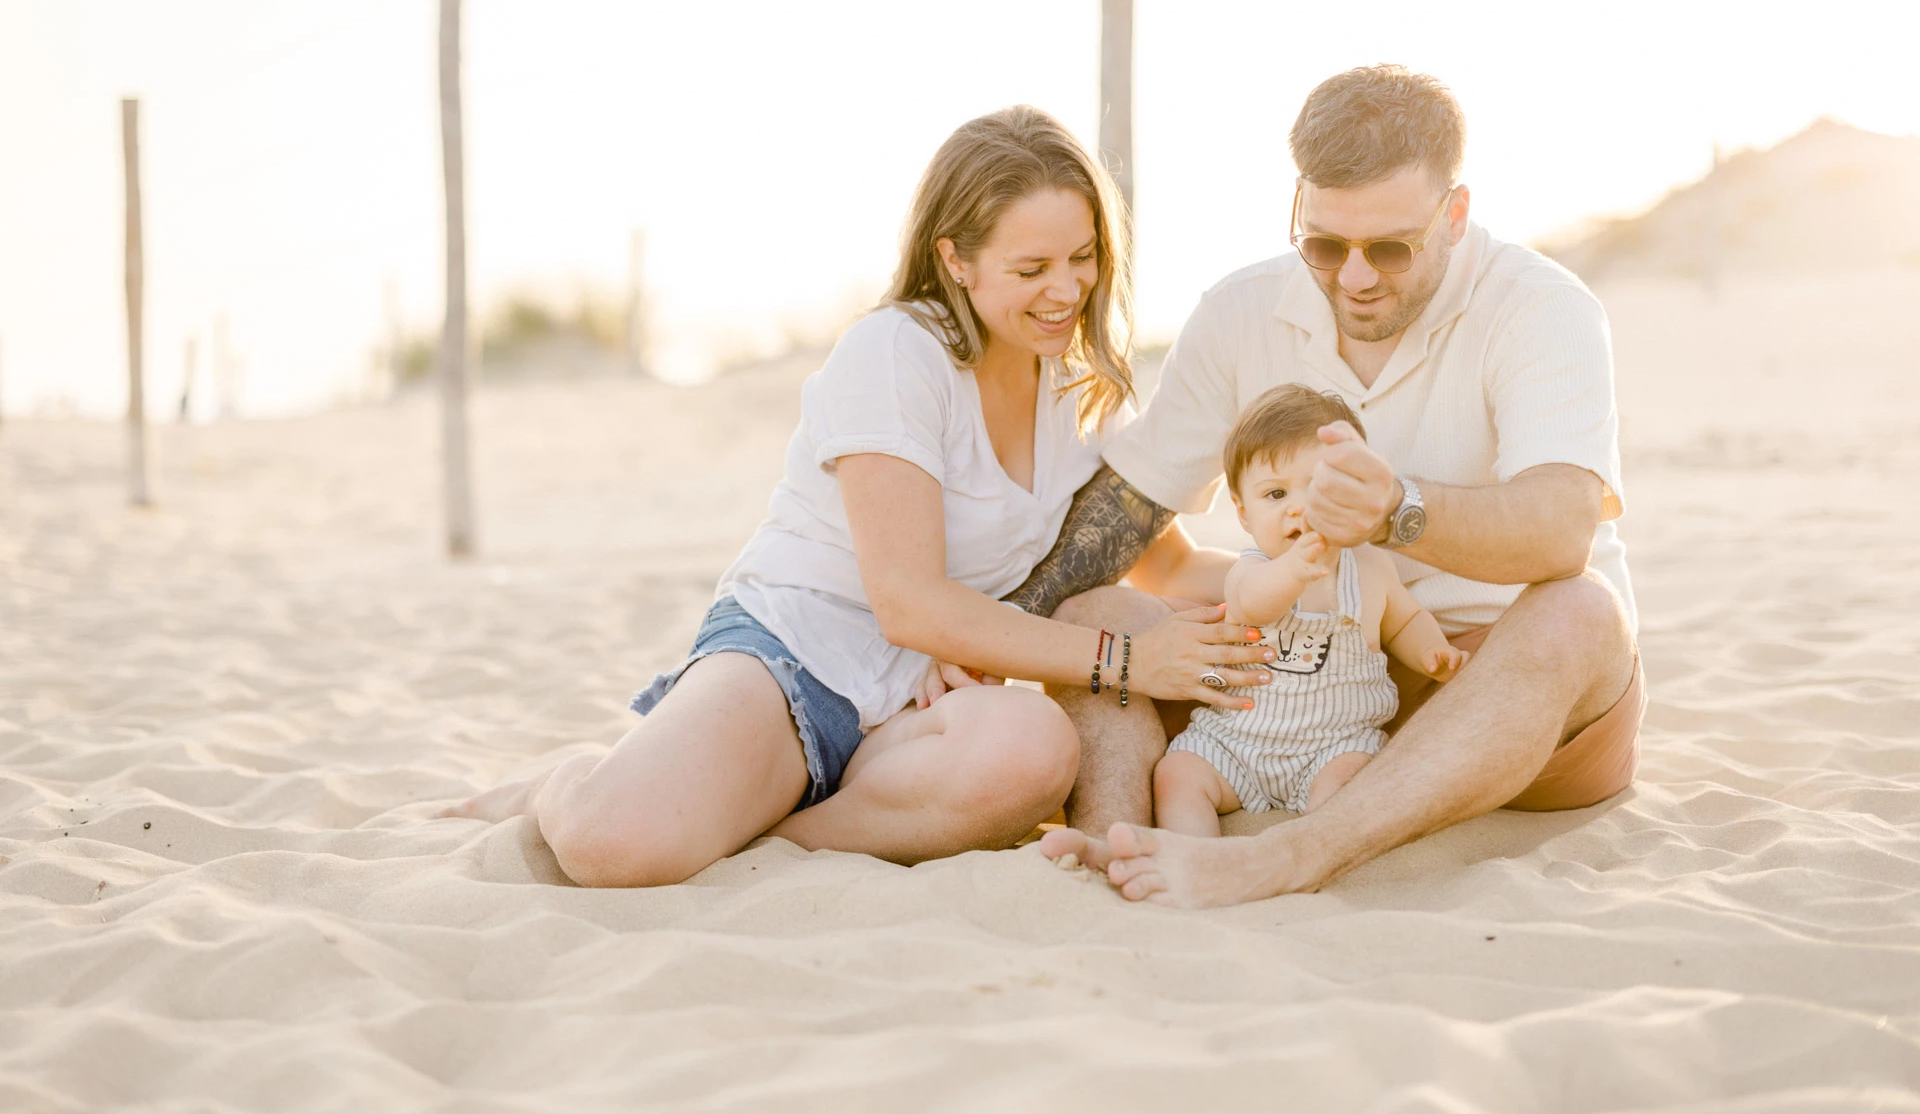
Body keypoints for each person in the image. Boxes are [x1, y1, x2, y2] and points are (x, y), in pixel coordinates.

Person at [439, 105, 1272, 887]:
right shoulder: (896, 355)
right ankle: (568, 783)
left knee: (1033, 751)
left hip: (921, 709)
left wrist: (1293, 565)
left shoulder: (1082, 391)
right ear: (955, 260)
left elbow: (1162, 566)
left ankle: (775, 834)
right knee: (615, 848)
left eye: (1083, 258)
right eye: (1032, 269)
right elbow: (908, 604)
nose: (1067, 289)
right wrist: (1126, 663)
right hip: (795, 662)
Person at [1010, 65, 1644, 907]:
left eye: (1390, 248)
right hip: (1277, 685)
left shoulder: (1540, 307)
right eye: (1323, 245)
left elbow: (1562, 530)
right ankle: (1117, 848)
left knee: (1583, 611)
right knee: (1097, 612)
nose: (1354, 277)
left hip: (1485, 684)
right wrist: (986, 638)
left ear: (1455, 215)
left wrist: (1398, 510)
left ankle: (1294, 855)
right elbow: (1129, 506)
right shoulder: (1240, 309)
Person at [1153, 384, 1468, 836]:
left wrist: (1431, 652)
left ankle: (1309, 845)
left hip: (1336, 746)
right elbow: (1253, 607)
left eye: (1319, 488)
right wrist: (1294, 571)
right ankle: (1194, 851)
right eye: (1275, 494)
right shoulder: (1249, 572)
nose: (1298, 507)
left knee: (1353, 784)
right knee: (1178, 773)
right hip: (1236, 743)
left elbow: (1406, 621)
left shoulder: (1371, 568)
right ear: (1243, 514)